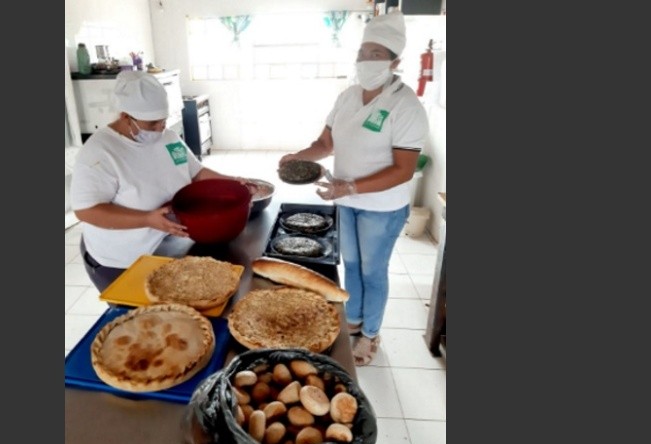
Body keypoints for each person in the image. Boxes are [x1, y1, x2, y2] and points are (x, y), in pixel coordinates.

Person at [278, 11, 429, 366]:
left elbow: (404, 170)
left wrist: (352, 186)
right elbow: (325, 143)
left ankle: (371, 334)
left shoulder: (405, 106)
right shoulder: (347, 97)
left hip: (383, 206)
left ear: (395, 60)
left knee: (373, 270)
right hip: (345, 198)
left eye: (376, 53)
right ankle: (355, 320)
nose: (366, 59)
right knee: (351, 263)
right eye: (363, 51)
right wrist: (296, 156)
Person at [70, 71, 250, 293]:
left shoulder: (168, 139)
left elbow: (196, 172)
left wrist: (233, 182)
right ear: (126, 117)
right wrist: (147, 219)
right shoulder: (100, 152)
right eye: (153, 123)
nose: (160, 128)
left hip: (163, 248)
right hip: (121, 262)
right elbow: (86, 212)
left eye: (164, 120)